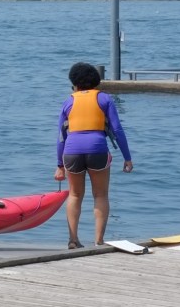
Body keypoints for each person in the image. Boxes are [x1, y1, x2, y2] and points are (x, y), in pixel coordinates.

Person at [54, 62, 133, 249]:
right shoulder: (104, 99)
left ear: (75, 83)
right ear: (96, 82)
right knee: (100, 195)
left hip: (71, 151)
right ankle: (98, 240)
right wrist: (127, 158)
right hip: (97, 149)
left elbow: (60, 135)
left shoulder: (68, 101)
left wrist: (59, 165)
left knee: (74, 195)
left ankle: (73, 239)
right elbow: (117, 130)